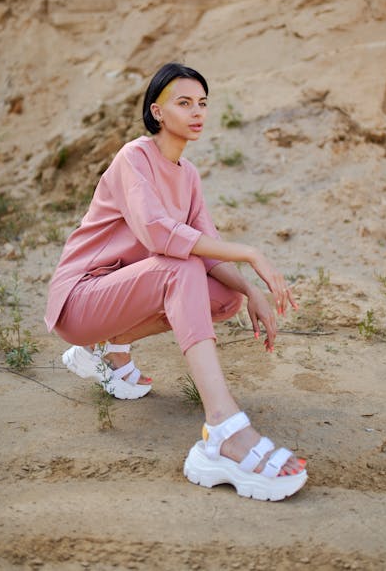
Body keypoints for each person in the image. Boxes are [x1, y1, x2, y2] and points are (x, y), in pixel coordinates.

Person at [44, 62, 307, 501]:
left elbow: (206, 248)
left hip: (123, 294)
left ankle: (110, 348)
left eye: (202, 103)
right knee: (178, 266)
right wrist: (251, 252)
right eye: (183, 103)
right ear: (158, 112)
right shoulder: (134, 157)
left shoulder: (189, 175)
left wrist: (250, 289)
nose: (196, 112)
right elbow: (158, 234)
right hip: (80, 298)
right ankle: (224, 426)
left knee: (223, 299)